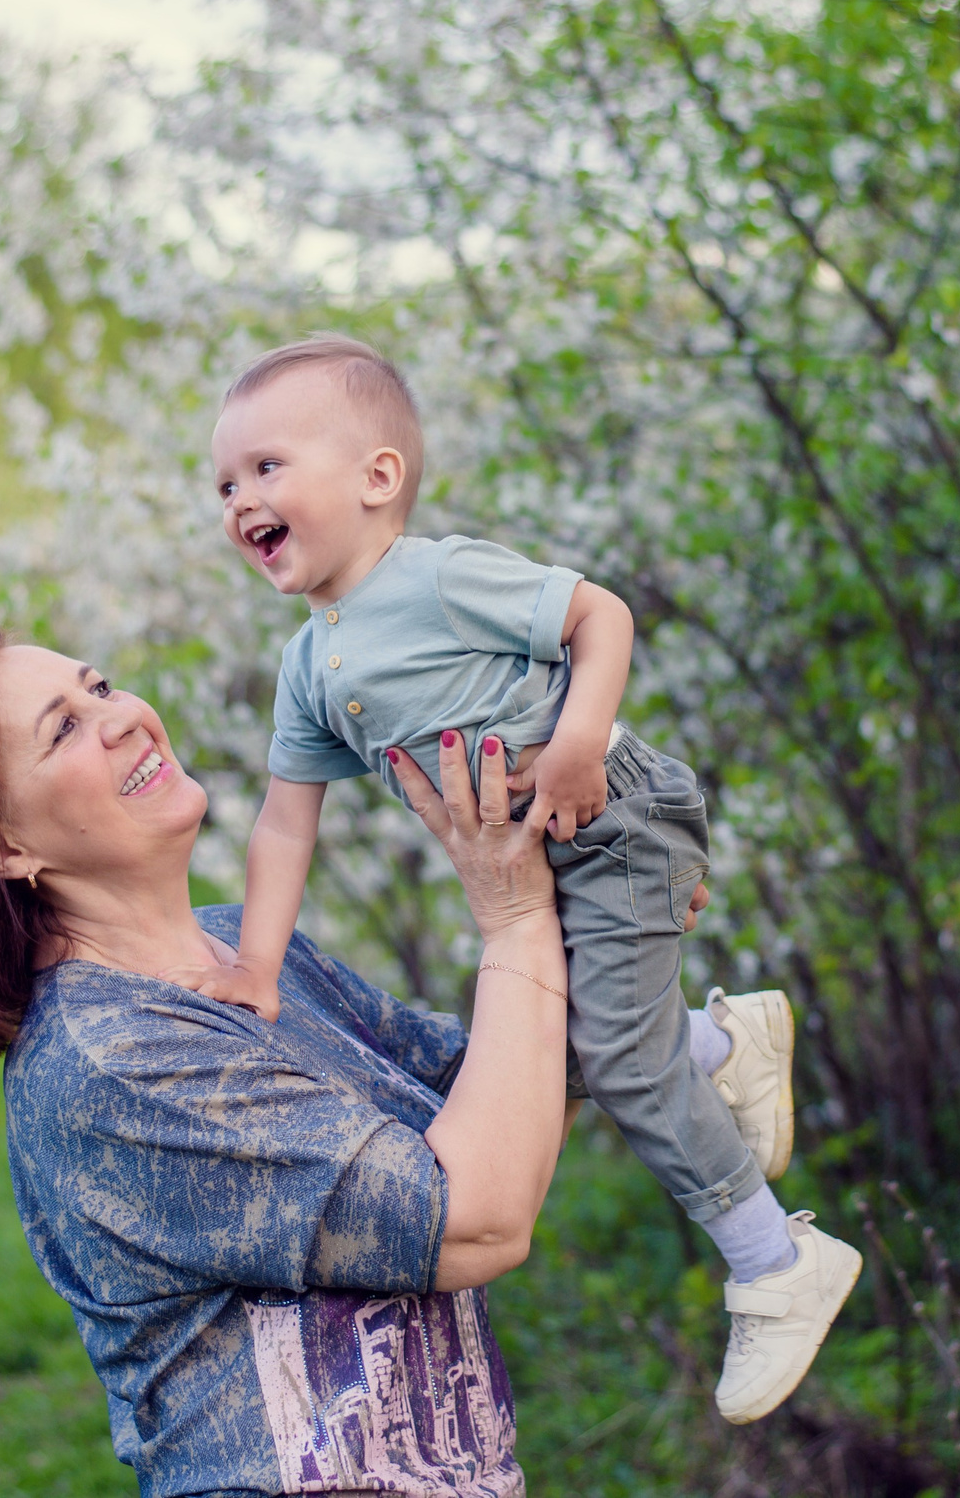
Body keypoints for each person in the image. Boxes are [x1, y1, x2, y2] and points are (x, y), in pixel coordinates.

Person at [198, 333, 860, 1423]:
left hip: (612, 816)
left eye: (267, 467)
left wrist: (580, 737)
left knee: (609, 1051)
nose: (240, 499)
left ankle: (774, 1258)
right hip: (543, 859)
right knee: (554, 1049)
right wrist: (257, 966)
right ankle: (724, 1046)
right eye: (225, 482)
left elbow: (600, 615)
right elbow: (281, 823)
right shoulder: (308, 667)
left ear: (376, 478)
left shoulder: (441, 577)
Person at [0, 629, 601, 1495]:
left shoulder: (246, 948)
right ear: (5, 848)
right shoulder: (110, 1062)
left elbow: (496, 1101)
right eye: (62, 729)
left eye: (100, 686)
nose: (121, 718)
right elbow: (476, 1214)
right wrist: (516, 922)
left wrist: (610, 923)